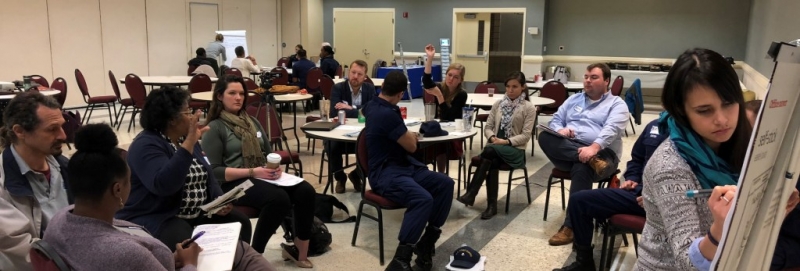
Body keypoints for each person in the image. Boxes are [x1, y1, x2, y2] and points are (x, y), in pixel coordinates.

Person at [633, 48, 793, 270]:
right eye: (704, 110)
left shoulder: (746, 145)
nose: (721, 119)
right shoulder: (669, 167)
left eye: (728, 103)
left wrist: (773, 211)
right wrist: (719, 228)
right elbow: (687, 261)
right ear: (682, 110)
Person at [44, 124, 275, 271]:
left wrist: (172, 258)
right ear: (117, 190)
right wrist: (188, 263)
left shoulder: (61, 220)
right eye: (129, 181)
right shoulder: (124, 252)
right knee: (245, 256)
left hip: (166, 256)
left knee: (239, 248)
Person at [116, 86, 253, 252]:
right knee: (186, 242)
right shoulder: (145, 145)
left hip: (196, 212)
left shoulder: (184, 139)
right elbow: (163, 185)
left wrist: (219, 200)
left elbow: (207, 174)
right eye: (187, 112)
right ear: (172, 119)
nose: (192, 116)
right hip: (159, 215)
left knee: (239, 222)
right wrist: (188, 143)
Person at [201, 75, 316, 268]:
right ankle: (254, 255)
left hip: (259, 175)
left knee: (306, 191)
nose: (238, 97)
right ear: (220, 96)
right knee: (279, 199)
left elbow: (268, 152)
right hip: (232, 182)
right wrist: (254, 172)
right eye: (232, 93)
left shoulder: (252, 121)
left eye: (241, 93)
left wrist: (274, 168)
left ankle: (299, 251)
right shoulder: (214, 127)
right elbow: (214, 171)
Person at [363, 71, 454, 271]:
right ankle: (401, 259)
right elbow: (412, 146)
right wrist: (408, 136)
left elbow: (397, 136)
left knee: (445, 184)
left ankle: (427, 242)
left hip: (404, 167)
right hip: (386, 173)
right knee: (422, 198)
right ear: (401, 93)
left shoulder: (373, 104)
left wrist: (404, 135)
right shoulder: (387, 113)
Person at [552, 118, 667, 270]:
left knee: (582, 175)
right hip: (639, 193)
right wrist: (633, 178)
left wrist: (656, 198)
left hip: (668, 203)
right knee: (579, 200)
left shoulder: (695, 130)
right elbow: (637, 159)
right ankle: (584, 263)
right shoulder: (655, 125)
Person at [539, 63, 629, 244]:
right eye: (586, 77)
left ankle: (571, 227)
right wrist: (561, 130)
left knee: (582, 167)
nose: (588, 81)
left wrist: (593, 148)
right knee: (544, 136)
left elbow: (611, 130)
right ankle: (590, 160)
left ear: (606, 81)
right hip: (570, 150)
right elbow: (555, 120)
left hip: (604, 155)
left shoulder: (617, 104)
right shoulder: (574, 100)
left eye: (593, 77)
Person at [0, 92, 70, 271]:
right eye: (52, 129)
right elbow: (23, 250)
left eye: (62, 127)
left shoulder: (65, 166)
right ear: (20, 131)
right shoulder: (3, 183)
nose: (63, 136)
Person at [455, 71, 535, 219]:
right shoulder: (498, 104)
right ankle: (491, 207)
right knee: (492, 160)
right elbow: (488, 127)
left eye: (515, 87)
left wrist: (504, 141)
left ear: (523, 87)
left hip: (514, 150)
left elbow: (525, 136)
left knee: (489, 152)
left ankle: (471, 193)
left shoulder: (529, 108)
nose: (510, 90)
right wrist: (492, 137)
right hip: (494, 148)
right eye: (508, 87)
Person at [328, 59, 376, 193]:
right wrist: (361, 110)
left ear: (365, 77)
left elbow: (372, 110)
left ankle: (357, 174)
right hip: (341, 132)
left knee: (375, 145)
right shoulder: (338, 88)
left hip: (362, 132)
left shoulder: (370, 89)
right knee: (331, 145)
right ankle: (340, 177)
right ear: (349, 73)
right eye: (353, 72)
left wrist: (350, 107)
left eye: (359, 74)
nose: (355, 76)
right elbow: (334, 111)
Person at [420, 44, 467, 173]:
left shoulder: (461, 94)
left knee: (441, 144)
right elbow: (426, 81)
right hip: (435, 127)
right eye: (449, 75)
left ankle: (441, 174)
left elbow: (449, 117)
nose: (451, 79)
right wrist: (430, 58)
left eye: (455, 77)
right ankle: (420, 172)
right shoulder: (440, 86)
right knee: (416, 140)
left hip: (451, 134)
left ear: (460, 80)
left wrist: (439, 96)